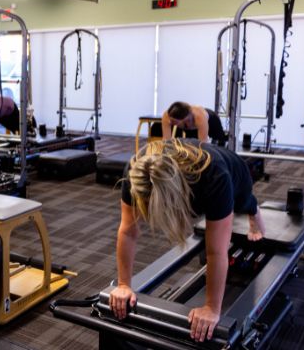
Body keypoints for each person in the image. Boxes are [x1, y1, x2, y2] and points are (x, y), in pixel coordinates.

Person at [110, 139, 265, 343]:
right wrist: (123, 284)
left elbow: (216, 251)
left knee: (244, 204)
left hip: (235, 171)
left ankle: (255, 213)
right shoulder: (136, 172)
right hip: (184, 175)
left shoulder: (215, 177)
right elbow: (128, 231)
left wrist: (211, 308)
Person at [161, 101, 226, 145]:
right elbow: (166, 141)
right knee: (191, 146)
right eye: (172, 121)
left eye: (174, 122)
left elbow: (203, 144)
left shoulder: (200, 117)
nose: (171, 123)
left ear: (185, 118)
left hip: (212, 120)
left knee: (220, 141)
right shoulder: (166, 117)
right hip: (190, 127)